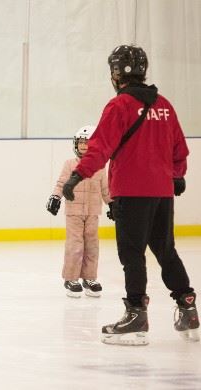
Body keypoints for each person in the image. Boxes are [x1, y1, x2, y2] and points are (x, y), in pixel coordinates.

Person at [62, 45, 199, 345]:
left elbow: (99, 148)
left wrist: (77, 175)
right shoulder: (164, 104)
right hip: (162, 193)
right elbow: (180, 149)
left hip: (131, 193)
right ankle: (187, 307)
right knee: (166, 250)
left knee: (132, 254)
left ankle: (136, 313)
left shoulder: (120, 106)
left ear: (114, 74)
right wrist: (176, 176)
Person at [46, 125, 112, 298]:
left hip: (92, 212)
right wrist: (55, 197)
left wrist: (113, 204)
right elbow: (61, 184)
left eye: (88, 143)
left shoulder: (100, 167)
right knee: (75, 246)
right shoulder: (69, 164)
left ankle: (89, 278)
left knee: (92, 246)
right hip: (74, 212)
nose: (83, 145)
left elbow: (106, 189)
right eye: (81, 142)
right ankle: (71, 278)